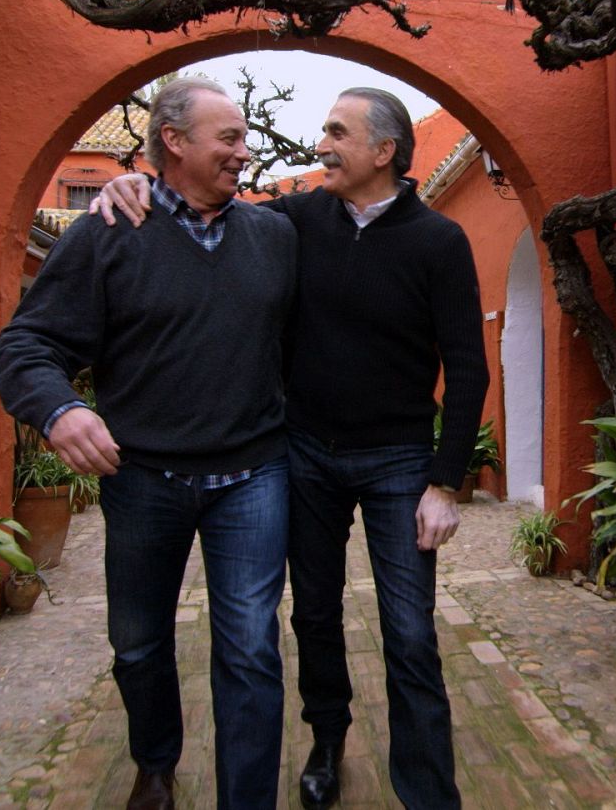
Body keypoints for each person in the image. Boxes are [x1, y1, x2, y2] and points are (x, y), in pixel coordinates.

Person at [92, 87, 489, 809]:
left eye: (337, 133)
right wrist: (139, 182)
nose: (321, 145)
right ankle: (328, 737)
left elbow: (467, 366)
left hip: (400, 461)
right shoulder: (299, 218)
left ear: (383, 151)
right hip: (305, 453)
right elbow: (206, 216)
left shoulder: (439, 240)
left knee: (409, 634)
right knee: (313, 614)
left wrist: (445, 482)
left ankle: (429, 794)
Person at [0, 76, 298, 810]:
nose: (242, 151)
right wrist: (61, 410)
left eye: (242, 138)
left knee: (252, 648)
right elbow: (27, 345)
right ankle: (155, 763)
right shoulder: (106, 232)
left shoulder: (277, 235)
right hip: (142, 480)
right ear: (174, 141)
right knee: (136, 643)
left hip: (253, 473)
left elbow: (360, 220)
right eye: (227, 138)